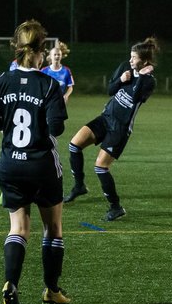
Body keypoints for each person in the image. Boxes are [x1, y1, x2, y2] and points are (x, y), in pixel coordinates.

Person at [0, 20, 71, 304]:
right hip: (41, 166)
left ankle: (11, 284)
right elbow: (56, 127)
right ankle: (52, 290)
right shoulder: (49, 84)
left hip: (10, 165)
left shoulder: (2, 81)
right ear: (41, 51)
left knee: (19, 228)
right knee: (53, 228)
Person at [62, 37, 160, 222]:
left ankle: (116, 207)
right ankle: (79, 186)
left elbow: (136, 97)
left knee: (101, 167)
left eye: (134, 58)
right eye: (130, 56)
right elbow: (110, 90)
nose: (130, 60)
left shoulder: (149, 81)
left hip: (120, 129)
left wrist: (143, 76)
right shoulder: (125, 67)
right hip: (105, 118)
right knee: (74, 145)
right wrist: (121, 79)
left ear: (145, 61)